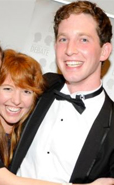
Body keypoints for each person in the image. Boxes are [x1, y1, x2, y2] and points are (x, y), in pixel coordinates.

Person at [0, 33, 110, 185]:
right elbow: (9, 182)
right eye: (8, 88)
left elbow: (63, 82)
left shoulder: (28, 131)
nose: (16, 100)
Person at [7, 0, 114, 184]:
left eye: (83, 39)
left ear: (104, 51)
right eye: (63, 39)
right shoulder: (38, 86)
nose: (70, 50)